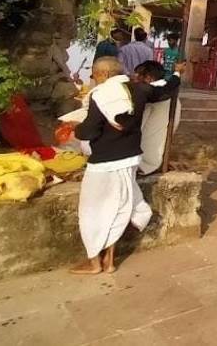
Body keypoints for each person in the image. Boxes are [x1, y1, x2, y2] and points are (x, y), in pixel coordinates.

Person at [71, 56, 181, 275]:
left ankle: (94, 262)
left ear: (103, 74)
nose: (94, 79)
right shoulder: (139, 89)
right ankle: (109, 260)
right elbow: (166, 89)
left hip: (104, 162)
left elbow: (89, 131)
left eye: (95, 75)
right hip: (130, 158)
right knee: (118, 208)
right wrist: (177, 73)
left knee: (91, 211)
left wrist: (76, 128)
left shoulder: (100, 95)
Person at [132, 60, 182, 176]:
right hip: (157, 156)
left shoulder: (149, 92)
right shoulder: (171, 95)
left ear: (148, 78)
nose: (135, 81)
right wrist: (177, 73)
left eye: (138, 77)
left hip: (142, 159)